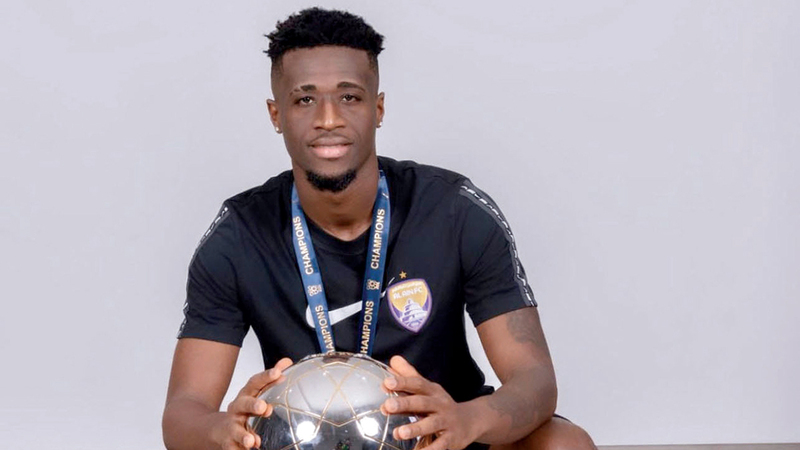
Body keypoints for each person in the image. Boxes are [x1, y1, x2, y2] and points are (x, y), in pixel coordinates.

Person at [163, 7, 596, 450]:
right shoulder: (238, 236)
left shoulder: (454, 211)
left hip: (442, 437)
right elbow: (183, 412)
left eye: (349, 97)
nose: (328, 118)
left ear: (378, 108)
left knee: (564, 444)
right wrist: (224, 430)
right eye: (305, 100)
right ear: (276, 115)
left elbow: (534, 380)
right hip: (303, 441)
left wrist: (466, 420)